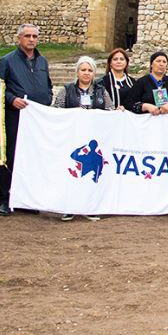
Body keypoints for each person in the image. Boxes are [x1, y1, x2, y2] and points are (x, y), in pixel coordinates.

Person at [0, 23, 53, 215]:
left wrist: (48, 96)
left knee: (32, 157)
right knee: (11, 157)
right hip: (15, 117)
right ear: (19, 38)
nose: (31, 39)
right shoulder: (7, 61)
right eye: (27, 36)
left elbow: (48, 85)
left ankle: (25, 199)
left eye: (35, 36)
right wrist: (11, 99)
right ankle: (5, 198)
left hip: (37, 119)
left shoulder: (42, 61)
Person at [52, 55, 109, 222]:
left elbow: (110, 110)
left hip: (93, 138)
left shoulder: (100, 91)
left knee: (91, 175)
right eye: (83, 70)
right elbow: (57, 110)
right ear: (77, 72)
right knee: (72, 172)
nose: (86, 73)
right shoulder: (67, 90)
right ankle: (68, 207)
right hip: (72, 138)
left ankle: (89, 207)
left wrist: (117, 111)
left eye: (90, 70)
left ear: (94, 73)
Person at [125, 51, 168, 115]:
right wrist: (145, 106)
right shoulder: (141, 82)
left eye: (164, 62)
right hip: (147, 122)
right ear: (151, 64)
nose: (161, 64)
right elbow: (129, 103)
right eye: (158, 61)